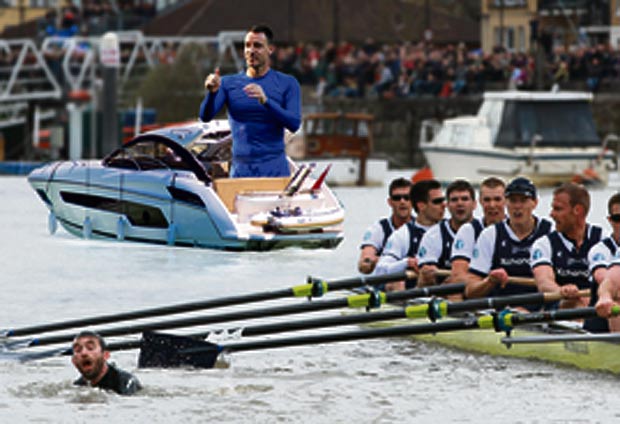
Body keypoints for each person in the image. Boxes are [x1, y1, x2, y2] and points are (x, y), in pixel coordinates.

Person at [199, 24, 301, 178]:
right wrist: (212, 93)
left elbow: (294, 124)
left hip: (275, 170)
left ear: (270, 49)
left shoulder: (288, 83)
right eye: (247, 45)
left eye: (258, 46)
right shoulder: (228, 83)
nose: (251, 50)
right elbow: (205, 117)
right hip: (241, 171)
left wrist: (266, 101)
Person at [465, 177, 552, 307]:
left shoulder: (550, 232)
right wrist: (489, 281)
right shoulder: (490, 235)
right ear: (506, 203)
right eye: (512, 200)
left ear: (535, 203)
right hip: (501, 309)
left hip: (541, 309)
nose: (517, 206)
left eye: (523, 200)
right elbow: (470, 291)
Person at [531, 183, 603, 321]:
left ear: (577, 210)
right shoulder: (544, 244)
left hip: (597, 307)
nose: (551, 214)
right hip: (559, 309)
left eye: (558, 209)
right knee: (574, 304)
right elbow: (543, 282)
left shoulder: (602, 239)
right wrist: (561, 291)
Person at [373, 179, 444, 289]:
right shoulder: (403, 235)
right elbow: (380, 271)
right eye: (437, 201)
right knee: (395, 283)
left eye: (443, 200)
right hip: (413, 296)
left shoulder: (452, 230)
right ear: (421, 206)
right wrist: (406, 263)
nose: (444, 205)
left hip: (445, 291)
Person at [416, 179, 477, 287]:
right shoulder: (433, 235)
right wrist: (428, 274)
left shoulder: (485, 232)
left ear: (474, 204)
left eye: (465, 199)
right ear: (447, 205)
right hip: (443, 293)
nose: (460, 203)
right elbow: (425, 281)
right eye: (454, 200)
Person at [450, 177, 506, 284]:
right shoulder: (468, 230)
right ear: (480, 201)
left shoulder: (517, 229)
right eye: (487, 200)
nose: (492, 205)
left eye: (497, 199)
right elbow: (458, 276)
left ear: (506, 201)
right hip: (479, 293)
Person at [358, 178, 413, 274]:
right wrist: (370, 261)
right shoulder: (378, 229)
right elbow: (364, 264)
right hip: (386, 281)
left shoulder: (423, 228)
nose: (402, 201)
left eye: (407, 197)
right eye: (397, 198)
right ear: (390, 202)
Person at [72, 330, 142, 395]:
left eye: (90, 348)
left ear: (106, 355)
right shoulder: (78, 386)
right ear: (74, 362)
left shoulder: (126, 383)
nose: (84, 353)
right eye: (78, 350)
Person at [590, 193, 620, 332]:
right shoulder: (600, 249)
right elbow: (608, 281)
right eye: (618, 219)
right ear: (611, 221)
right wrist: (605, 296)